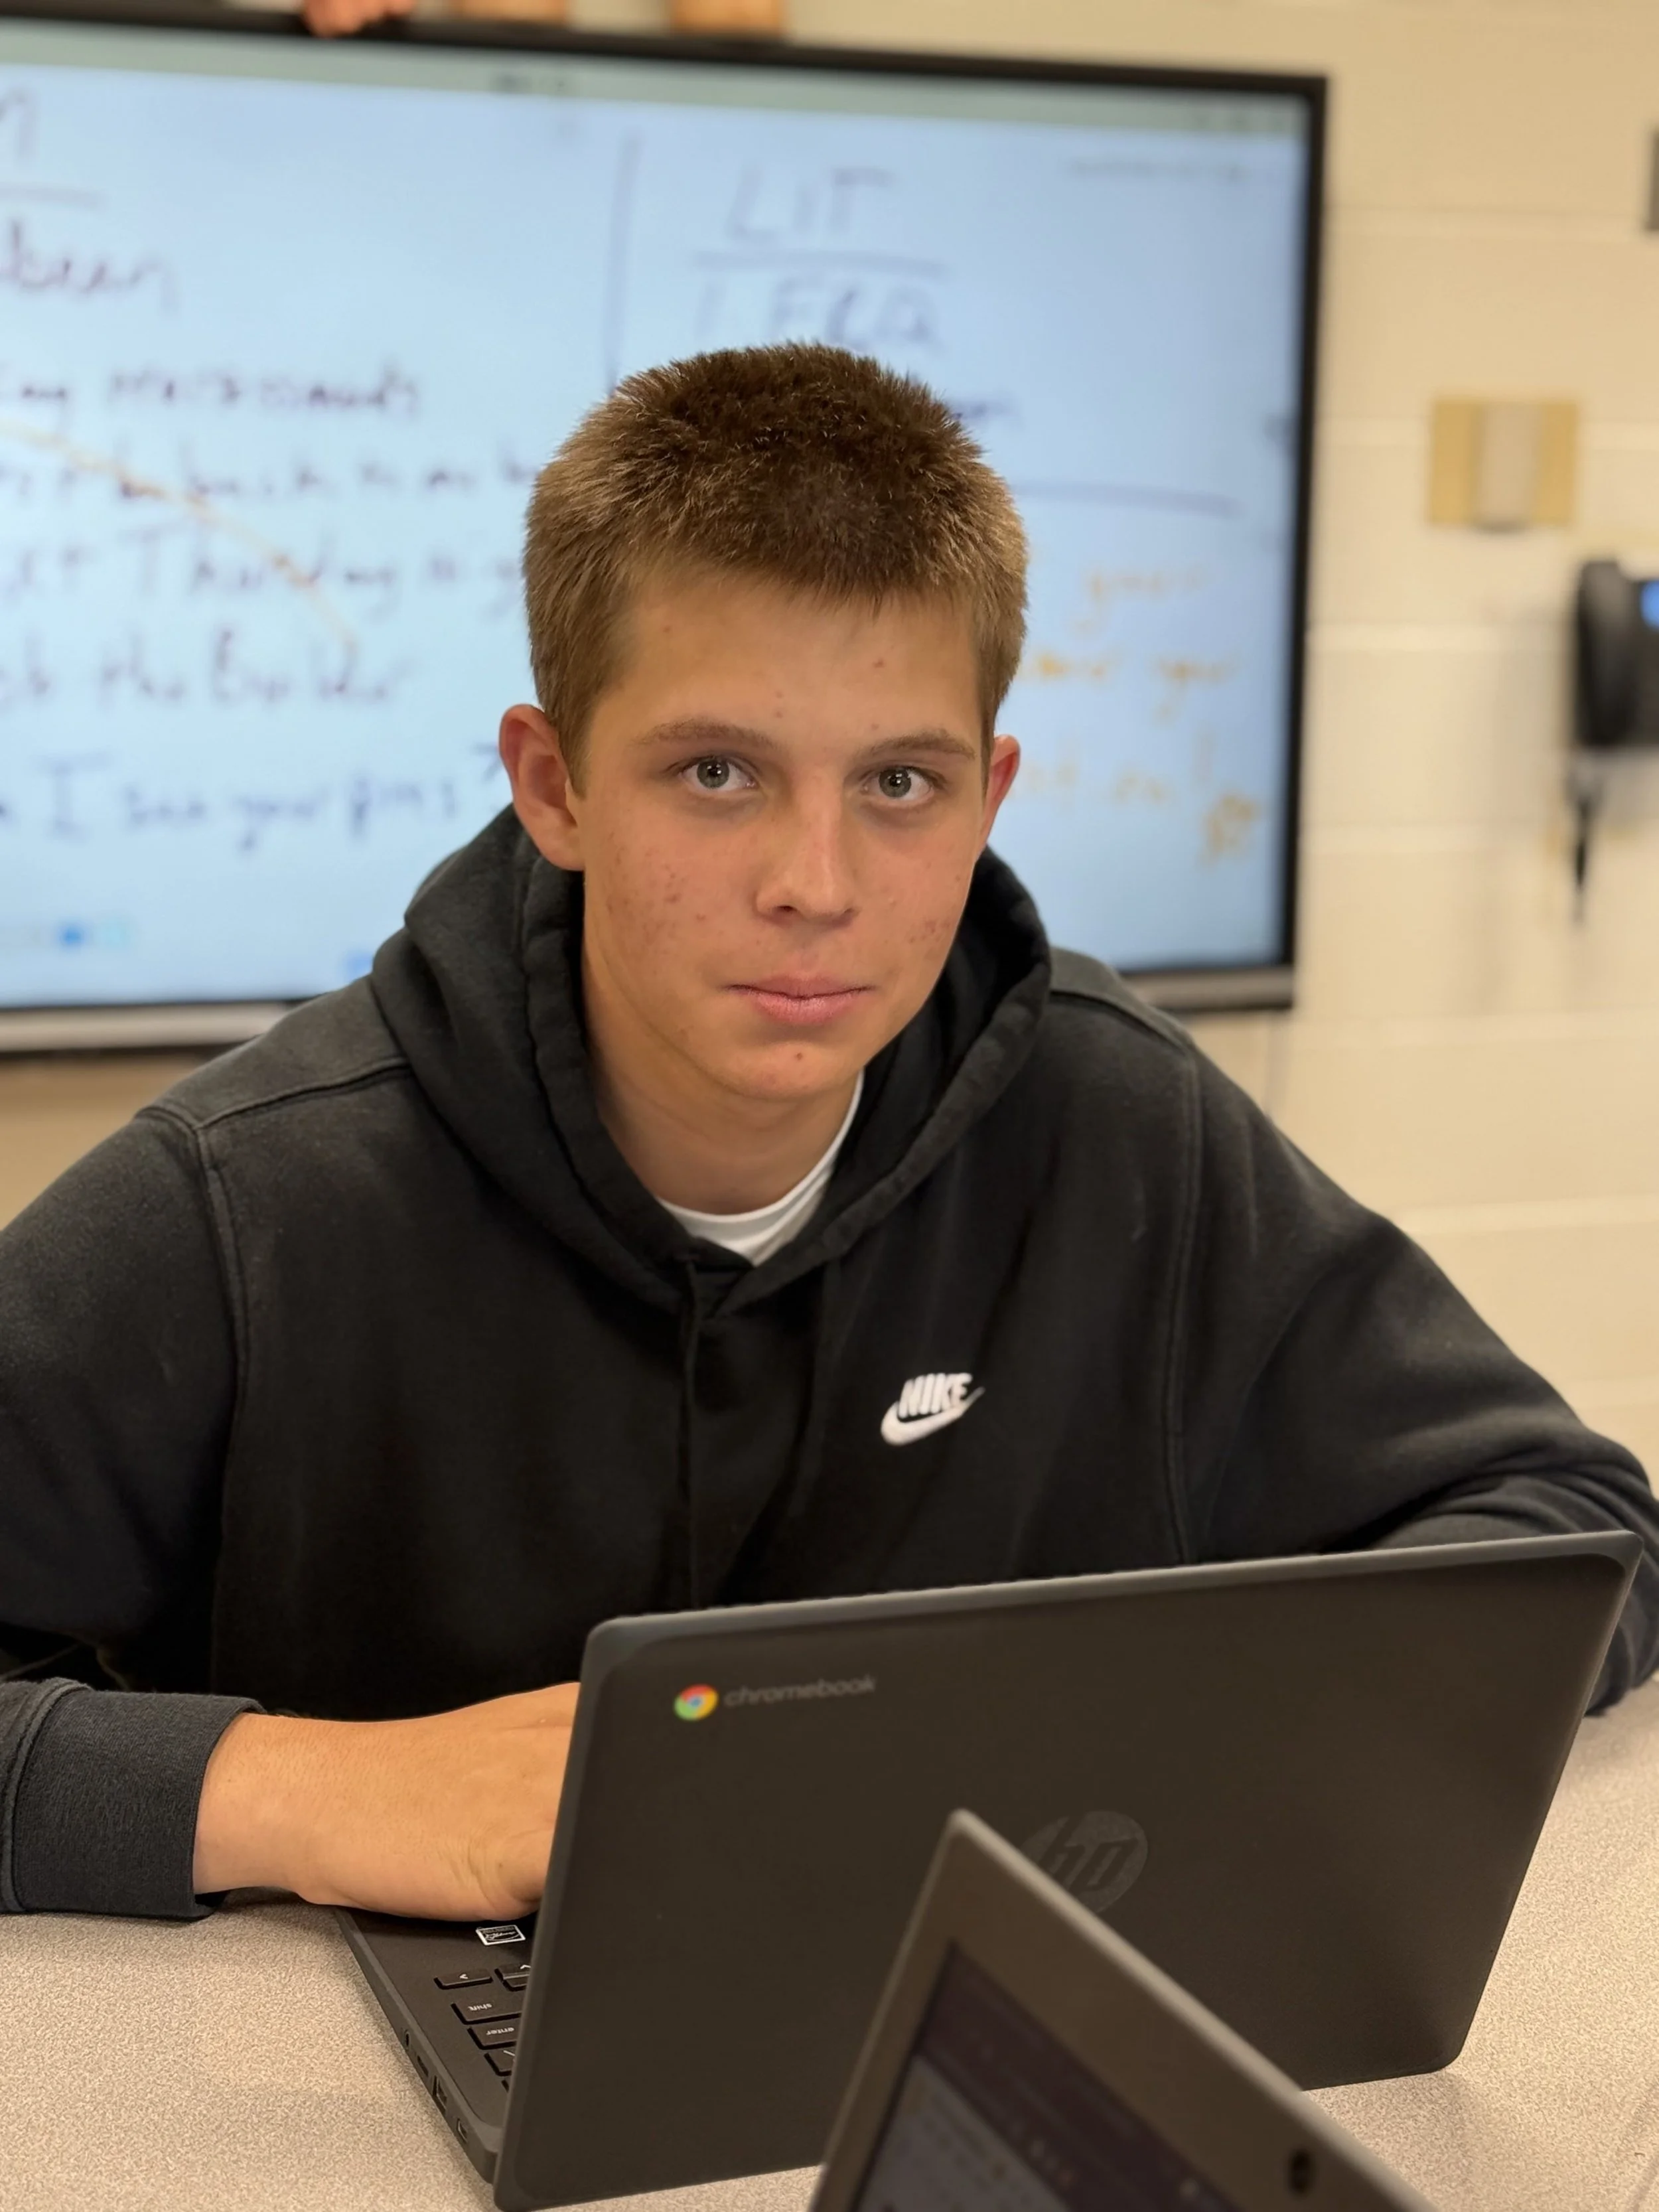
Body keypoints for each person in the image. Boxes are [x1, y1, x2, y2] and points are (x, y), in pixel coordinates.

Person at [1, 343, 1655, 1927]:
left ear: (991, 794)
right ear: (554, 784)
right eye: (717, 772)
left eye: (899, 784)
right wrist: (310, 1791)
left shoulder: (1118, 1127)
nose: (817, 881)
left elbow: (1571, 1526)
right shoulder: (246, 1201)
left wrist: (1188, 1726)